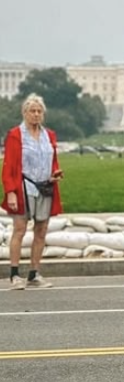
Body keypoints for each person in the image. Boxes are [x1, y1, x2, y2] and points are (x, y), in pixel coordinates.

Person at [3, 95, 63, 290]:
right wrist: (10, 191)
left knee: (41, 230)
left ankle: (34, 273)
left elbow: (52, 159)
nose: (36, 115)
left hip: (45, 186)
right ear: (25, 113)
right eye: (32, 111)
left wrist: (55, 172)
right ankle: (14, 274)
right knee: (19, 228)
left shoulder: (49, 135)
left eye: (39, 111)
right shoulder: (15, 135)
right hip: (23, 187)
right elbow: (9, 165)